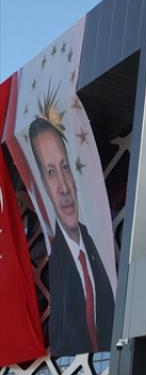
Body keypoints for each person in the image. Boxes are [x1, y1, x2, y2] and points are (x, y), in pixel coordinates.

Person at [28, 116, 114, 354]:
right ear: (43, 185)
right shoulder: (50, 262)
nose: (64, 187)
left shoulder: (98, 243)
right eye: (51, 172)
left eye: (65, 167)